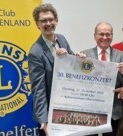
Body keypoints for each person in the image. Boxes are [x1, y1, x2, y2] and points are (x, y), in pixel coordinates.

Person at [28, 3, 75, 136]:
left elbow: (72, 66)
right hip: (50, 112)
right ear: (37, 24)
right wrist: (44, 120)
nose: (48, 23)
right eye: (43, 21)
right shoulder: (35, 52)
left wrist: (76, 57)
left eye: (50, 19)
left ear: (56, 20)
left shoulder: (62, 39)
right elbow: (39, 88)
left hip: (67, 106)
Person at [81, 22, 123, 136]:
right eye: (101, 34)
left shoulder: (121, 56)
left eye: (108, 34)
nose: (105, 37)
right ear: (95, 36)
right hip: (90, 109)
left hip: (112, 109)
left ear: (112, 36)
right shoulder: (85, 55)